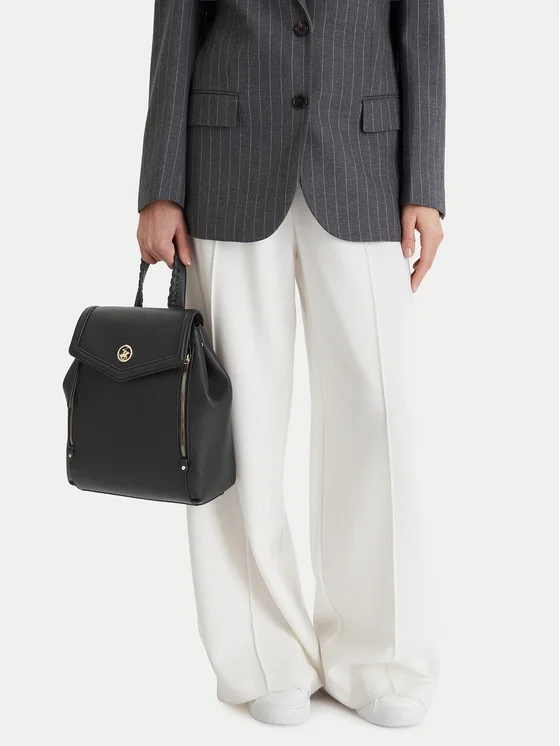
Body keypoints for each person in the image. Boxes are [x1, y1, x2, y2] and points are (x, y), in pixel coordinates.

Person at [136, 0, 445, 728]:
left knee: (379, 414)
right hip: (228, 157)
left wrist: (425, 184)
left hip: (365, 158)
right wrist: (161, 186)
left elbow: (422, 27)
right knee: (238, 421)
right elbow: (176, 27)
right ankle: (261, 652)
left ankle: (380, 655)